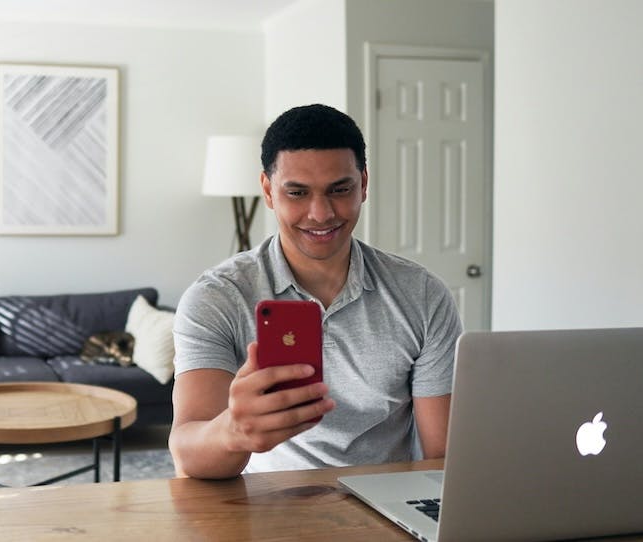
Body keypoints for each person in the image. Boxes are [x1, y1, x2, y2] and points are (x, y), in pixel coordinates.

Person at [169, 104, 462, 479]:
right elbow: (188, 455)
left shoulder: (422, 295)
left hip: (383, 511)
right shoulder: (217, 298)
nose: (321, 213)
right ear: (268, 191)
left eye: (340, 190)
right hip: (261, 508)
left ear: (364, 184)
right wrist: (233, 431)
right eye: (297, 193)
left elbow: (441, 458)